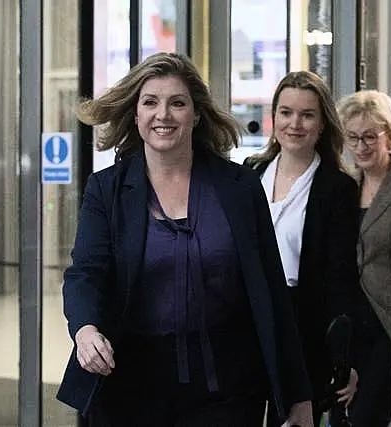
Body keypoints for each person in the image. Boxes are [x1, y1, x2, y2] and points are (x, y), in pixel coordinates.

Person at [56, 52, 314, 427]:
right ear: (136, 114)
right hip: (130, 385)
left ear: (195, 114)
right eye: (150, 103)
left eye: (178, 103)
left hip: (227, 388)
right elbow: (86, 273)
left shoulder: (239, 187)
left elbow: (271, 292)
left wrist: (297, 394)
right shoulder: (106, 190)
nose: (164, 114)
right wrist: (85, 330)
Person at [244, 71, 360, 425]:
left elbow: (340, 277)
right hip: (245, 320)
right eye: (286, 112)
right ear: (274, 118)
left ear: (323, 123)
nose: (295, 123)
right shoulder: (249, 173)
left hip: (302, 327)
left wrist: (345, 359)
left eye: (307, 114)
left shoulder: (337, 188)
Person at [337, 90, 391, 426]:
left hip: (388, 320)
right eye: (353, 138)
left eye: (369, 137)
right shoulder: (347, 188)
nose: (361, 146)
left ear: (389, 136)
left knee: (367, 417)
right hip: (354, 323)